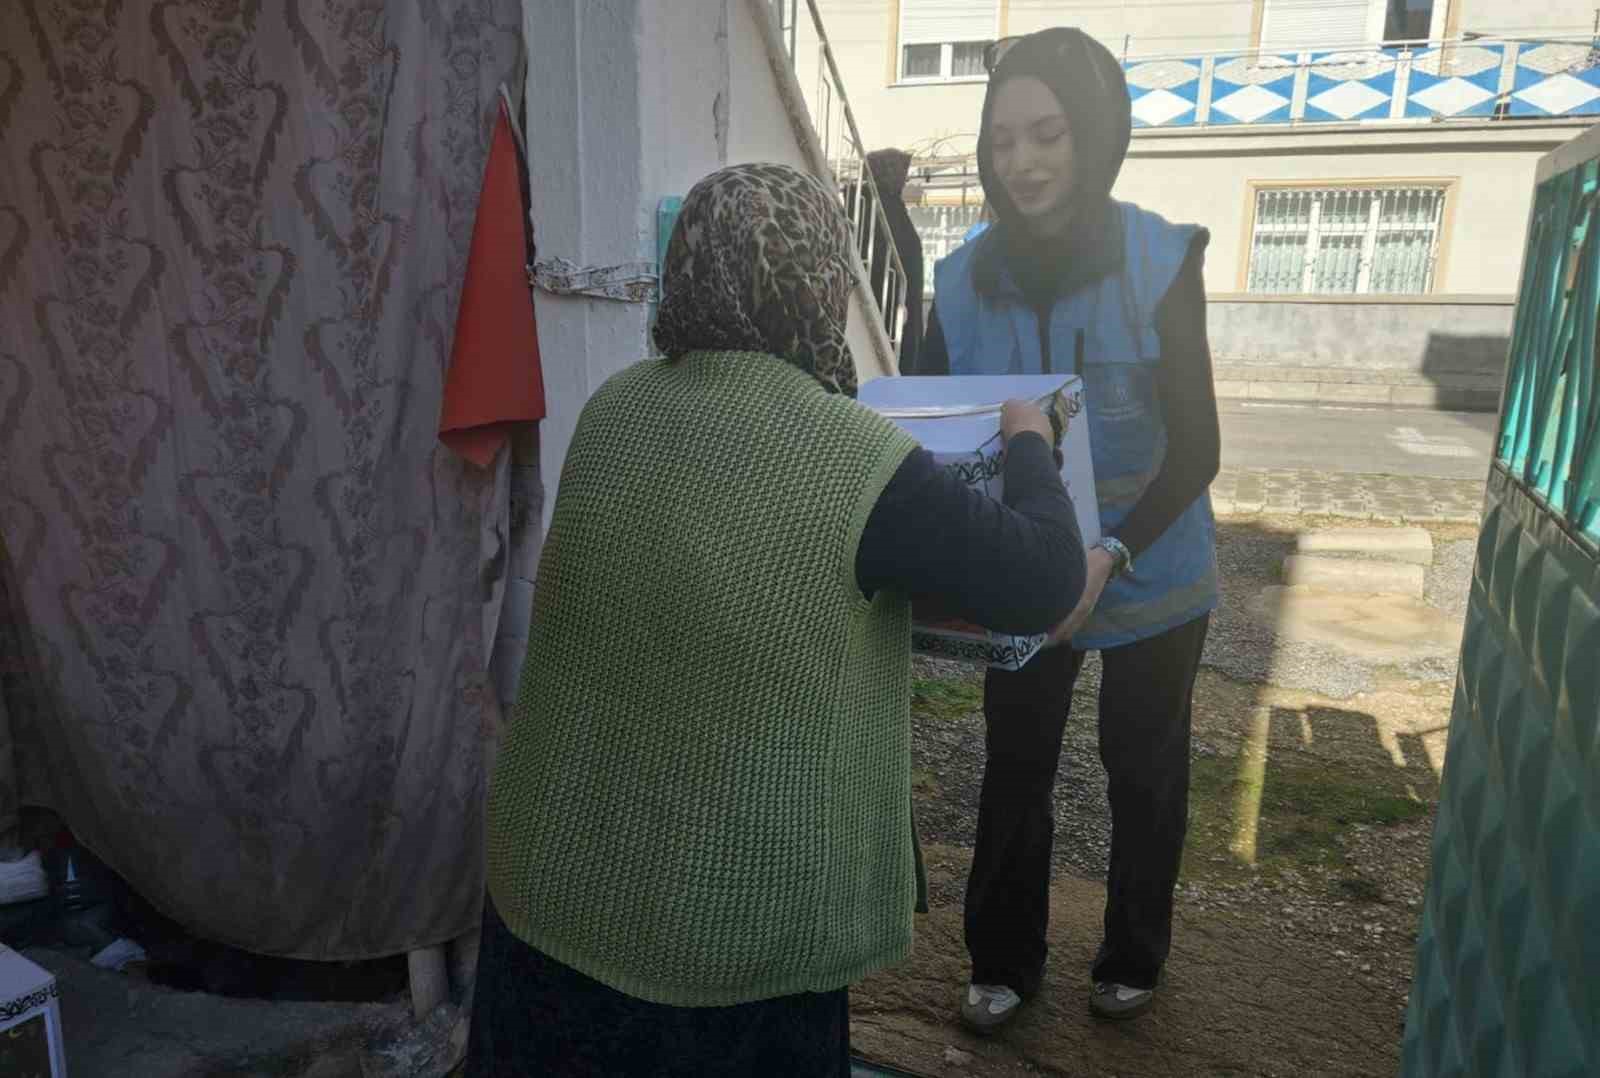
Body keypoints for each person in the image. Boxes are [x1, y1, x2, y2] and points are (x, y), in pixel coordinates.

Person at [467, 162, 1088, 1076]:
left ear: (689, 276)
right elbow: (1041, 579)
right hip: (730, 952)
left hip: (551, 898)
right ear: (824, 282)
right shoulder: (855, 458)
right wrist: (1032, 442)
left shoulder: (614, 409)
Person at [920, 28, 1221, 1027]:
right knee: (1014, 762)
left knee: (1142, 768)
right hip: (1026, 563)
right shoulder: (957, 282)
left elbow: (1200, 448)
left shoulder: (1161, 260)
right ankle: (1001, 957)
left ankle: (1132, 952)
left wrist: (1108, 552)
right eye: (1001, 140)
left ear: (1094, 135)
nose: (1022, 163)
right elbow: (930, 427)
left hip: (1154, 561)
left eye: (1046, 133)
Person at [845, 148, 925, 371]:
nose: (904, 180)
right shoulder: (875, 205)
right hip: (890, 307)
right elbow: (883, 259)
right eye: (902, 174)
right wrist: (898, 301)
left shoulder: (881, 203)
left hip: (897, 306)